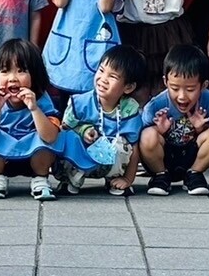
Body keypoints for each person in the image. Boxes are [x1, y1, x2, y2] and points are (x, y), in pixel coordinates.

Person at [0, 38, 93, 201]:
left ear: (35, 75)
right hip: (2, 158)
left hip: (34, 157)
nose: (12, 78)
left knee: (51, 138)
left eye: (21, 71)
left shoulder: (43, 100)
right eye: (5, 71)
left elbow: (50, 137)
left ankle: (40, 179)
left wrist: (34, 108)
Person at [58, 44, 147, 196]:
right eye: (101, 70)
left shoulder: (129, 110)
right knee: (67, 137)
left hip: (110, 160)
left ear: (128, 87)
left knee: (124, 144)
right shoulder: (79, 103)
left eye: (112, 76)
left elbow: (134, 145)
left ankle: (115, 179)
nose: (103, 79)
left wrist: (128, 179)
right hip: (83, 154)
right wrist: (83, 130)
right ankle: (70, 179)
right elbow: (64, 128)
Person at [139, 44, 209, 197]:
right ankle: (160, 176)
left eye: (190, 89)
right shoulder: (156, 105)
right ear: (166, 81)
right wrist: (160, 130)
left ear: (203, 85)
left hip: (191, 155)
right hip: (164, 157)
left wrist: (200, 128)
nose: (182, 96)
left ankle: (194, 174)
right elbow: (142, 141)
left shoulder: (207, 98)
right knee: (147, 135)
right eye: (175, 88)